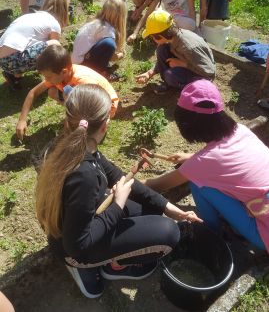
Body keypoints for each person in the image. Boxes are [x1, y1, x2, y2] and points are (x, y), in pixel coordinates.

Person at [35, 84, 202, 298]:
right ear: (105, 125)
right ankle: (100, 267)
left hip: (72, 223)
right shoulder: (84, 175)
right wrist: (118, 204)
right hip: (74, 250)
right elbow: (78, 245)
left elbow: (122, 178)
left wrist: (170, 208)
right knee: (169, 233)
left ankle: (109, 259)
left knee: (149, 208)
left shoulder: (72, 145)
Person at [144, 79, 269, 253]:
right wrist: (190, 157)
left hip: (265, 234)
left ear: (190, 125)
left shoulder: (202, 162)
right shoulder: (241, 130)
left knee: (199, 184)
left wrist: (133, 182)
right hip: (264, 205)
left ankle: (212, 233)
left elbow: (158, 185)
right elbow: (222, 158)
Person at [16, 45, 119, 140]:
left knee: (80, 130)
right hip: (83, 97)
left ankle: (93, 122)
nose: (46, 80)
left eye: (48, 77)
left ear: (64, 72)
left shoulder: (83, 81)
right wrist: (22, 120)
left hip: (106, 106)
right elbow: (33, 93)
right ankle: (75, 116)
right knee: (52, 92)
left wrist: (67, 130)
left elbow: (93, 104)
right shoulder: (61, 74)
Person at [136, 9, 215, 94]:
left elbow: (209, 72)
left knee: (170, 76)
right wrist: (150, 73)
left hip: (203, 76)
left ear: (160, 36)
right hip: (190, 62)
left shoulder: (188, 47)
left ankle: (192, 92)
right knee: (162, 49)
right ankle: (168, 83)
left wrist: (183, 64)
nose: (153, 40)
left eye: (152, 37)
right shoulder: (172, 38)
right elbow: (163, 58)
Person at [0, 0, 68, 90]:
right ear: (63, 11)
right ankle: (53, 78)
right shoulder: (54, 23)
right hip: (13, 59)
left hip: (3, 59)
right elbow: (55, 52)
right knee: (55, 44)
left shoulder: (31, 16)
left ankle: (14, 76)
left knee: (27, 45)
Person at [72, 0, 126, 81]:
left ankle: (98, 70)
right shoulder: (108, 29)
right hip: (83, 65)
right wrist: (120, 55)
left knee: (107, 44)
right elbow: (111, 56)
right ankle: (101, 73)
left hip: (77, 62)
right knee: (109, 44)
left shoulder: (95, 23)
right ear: (119, 17)